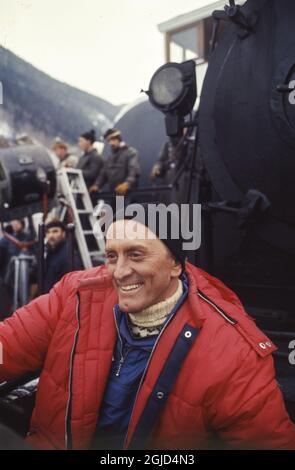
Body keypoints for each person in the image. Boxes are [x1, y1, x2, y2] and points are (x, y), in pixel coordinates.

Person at [0, 203, 295, 450]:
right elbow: (9, 344)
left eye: (136, 254)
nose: (120, 272)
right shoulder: (75, 295)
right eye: (112, 256)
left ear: (176, 265)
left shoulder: (232, 352)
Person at [89, 128, 140, 196]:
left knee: (125, 206)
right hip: (115, 194)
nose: (111, 143)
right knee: (117, 206)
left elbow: (133, 170)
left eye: (113, 140)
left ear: (119, 139)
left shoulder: (131, 153)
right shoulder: (110, 158)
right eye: (109, 141)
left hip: (128, 194)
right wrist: (97, 185)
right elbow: (103, 173)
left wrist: (127, 183)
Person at [44, 220, 82, 293]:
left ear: (63, 233)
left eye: (55, 231)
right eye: (48, 232)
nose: (50, 235)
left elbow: (73, 284)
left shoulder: (69, 254)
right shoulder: (50, 251)